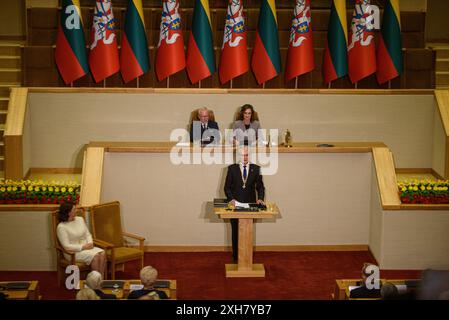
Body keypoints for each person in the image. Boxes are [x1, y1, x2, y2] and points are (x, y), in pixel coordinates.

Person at [224, 146, 265, 262]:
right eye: (243, 155)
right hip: (235, 205)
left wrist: (261, 198)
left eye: (247, 155)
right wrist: (231, 199)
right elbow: (227, 188)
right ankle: (236, 257)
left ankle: (247, 257)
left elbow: (260, 187)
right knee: (236, 231)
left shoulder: (256, 169)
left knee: (247, 231)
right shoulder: (232, 169)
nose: (245, 157)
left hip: (250, 205)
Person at [56, 202, 107, 278]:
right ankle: (94, 283)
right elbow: (66, 246)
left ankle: (100, 280)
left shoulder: (80, 219)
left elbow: (88, 234)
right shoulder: (61, 227)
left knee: (102, 253)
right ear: (68, 212)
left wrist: (90, 243)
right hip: (72, 252)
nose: (77, 210)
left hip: (87, 247)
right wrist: (83, 247)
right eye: (74, 209)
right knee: (96, 256)